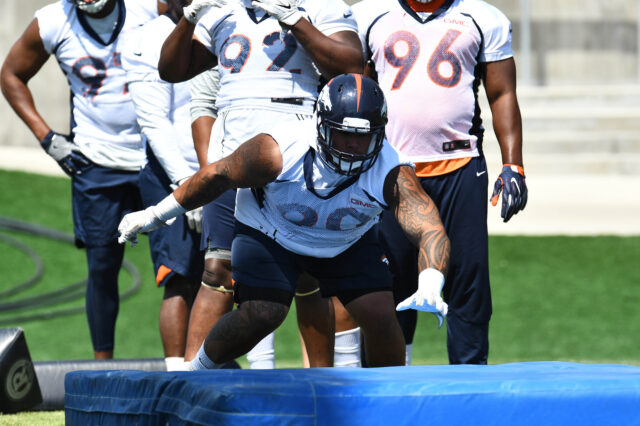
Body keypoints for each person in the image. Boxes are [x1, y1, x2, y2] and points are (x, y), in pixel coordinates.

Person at [117, 73, 451, 369]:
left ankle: (386, 404)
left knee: (380, 315)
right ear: (320, 124)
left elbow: (429, 227)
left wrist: (432, 281)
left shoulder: (391, 170)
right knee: (262, 312)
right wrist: (155, 215)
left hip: (345, 242)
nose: (352, 147)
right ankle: (196, 371)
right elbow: (215, 176)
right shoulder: (277, 151)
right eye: (342, 135)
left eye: (362, 137)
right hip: (271, 231)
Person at [157, 0, 366, 368]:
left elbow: (351, 65)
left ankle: (322, 385)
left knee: (306, 274)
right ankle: (192, 383)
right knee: (218, 270)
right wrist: (191, 16)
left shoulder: (320, 6)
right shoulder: (223, 9)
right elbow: (172, 70)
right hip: (234, 158)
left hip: (296, 158)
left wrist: (294, 19)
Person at [352, 0, 528, 365]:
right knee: (388, 283)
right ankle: (387, 388)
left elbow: (502, 94)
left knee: (468, 283)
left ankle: (469, 384)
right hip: (390, 169)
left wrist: (514, 165)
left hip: (460, 165)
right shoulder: (369, 14)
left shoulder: (483, 17)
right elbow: (357, 91)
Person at [0, 0, 167, 359]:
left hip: (157, 154)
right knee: (103, 267)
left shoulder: (150, 7)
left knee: (179, 269)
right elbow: (11, 74)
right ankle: (100, 369)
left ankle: (189, 365)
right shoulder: (52, 20)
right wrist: (48, 139)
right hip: (96, 160)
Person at [121, 0, 205, 370]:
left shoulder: (224, 24)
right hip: (173, 173)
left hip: (220, 169)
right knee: (179, 277)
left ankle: (210, 370)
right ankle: (176, 374)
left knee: (225, 277)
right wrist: (188, 184)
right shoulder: (146, 38)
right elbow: (155, 122)